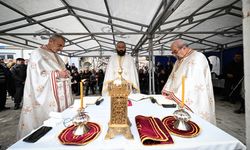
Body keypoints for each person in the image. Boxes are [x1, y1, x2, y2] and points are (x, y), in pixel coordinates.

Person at [17, 34, 73, 139]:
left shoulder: (55, 55)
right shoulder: (37, 53)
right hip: (45, 94)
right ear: (50, 41)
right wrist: (57, 74)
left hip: (59, 92)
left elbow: (61, 69)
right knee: (47, 123)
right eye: (59, 45)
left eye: (62, 46)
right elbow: (37, 76)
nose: (61, 49)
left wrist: (66, 73)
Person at [162, 39, 216, 124]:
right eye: (172, 52)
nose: (174, 55)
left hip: (193, 97)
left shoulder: (197, 57)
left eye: (175, 51)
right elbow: (172, 77)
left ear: (183, 48)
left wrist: (174, 95)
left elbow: (193, 81)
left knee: (196, 122)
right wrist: (168, 91)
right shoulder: (178, 60)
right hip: (177, 98)